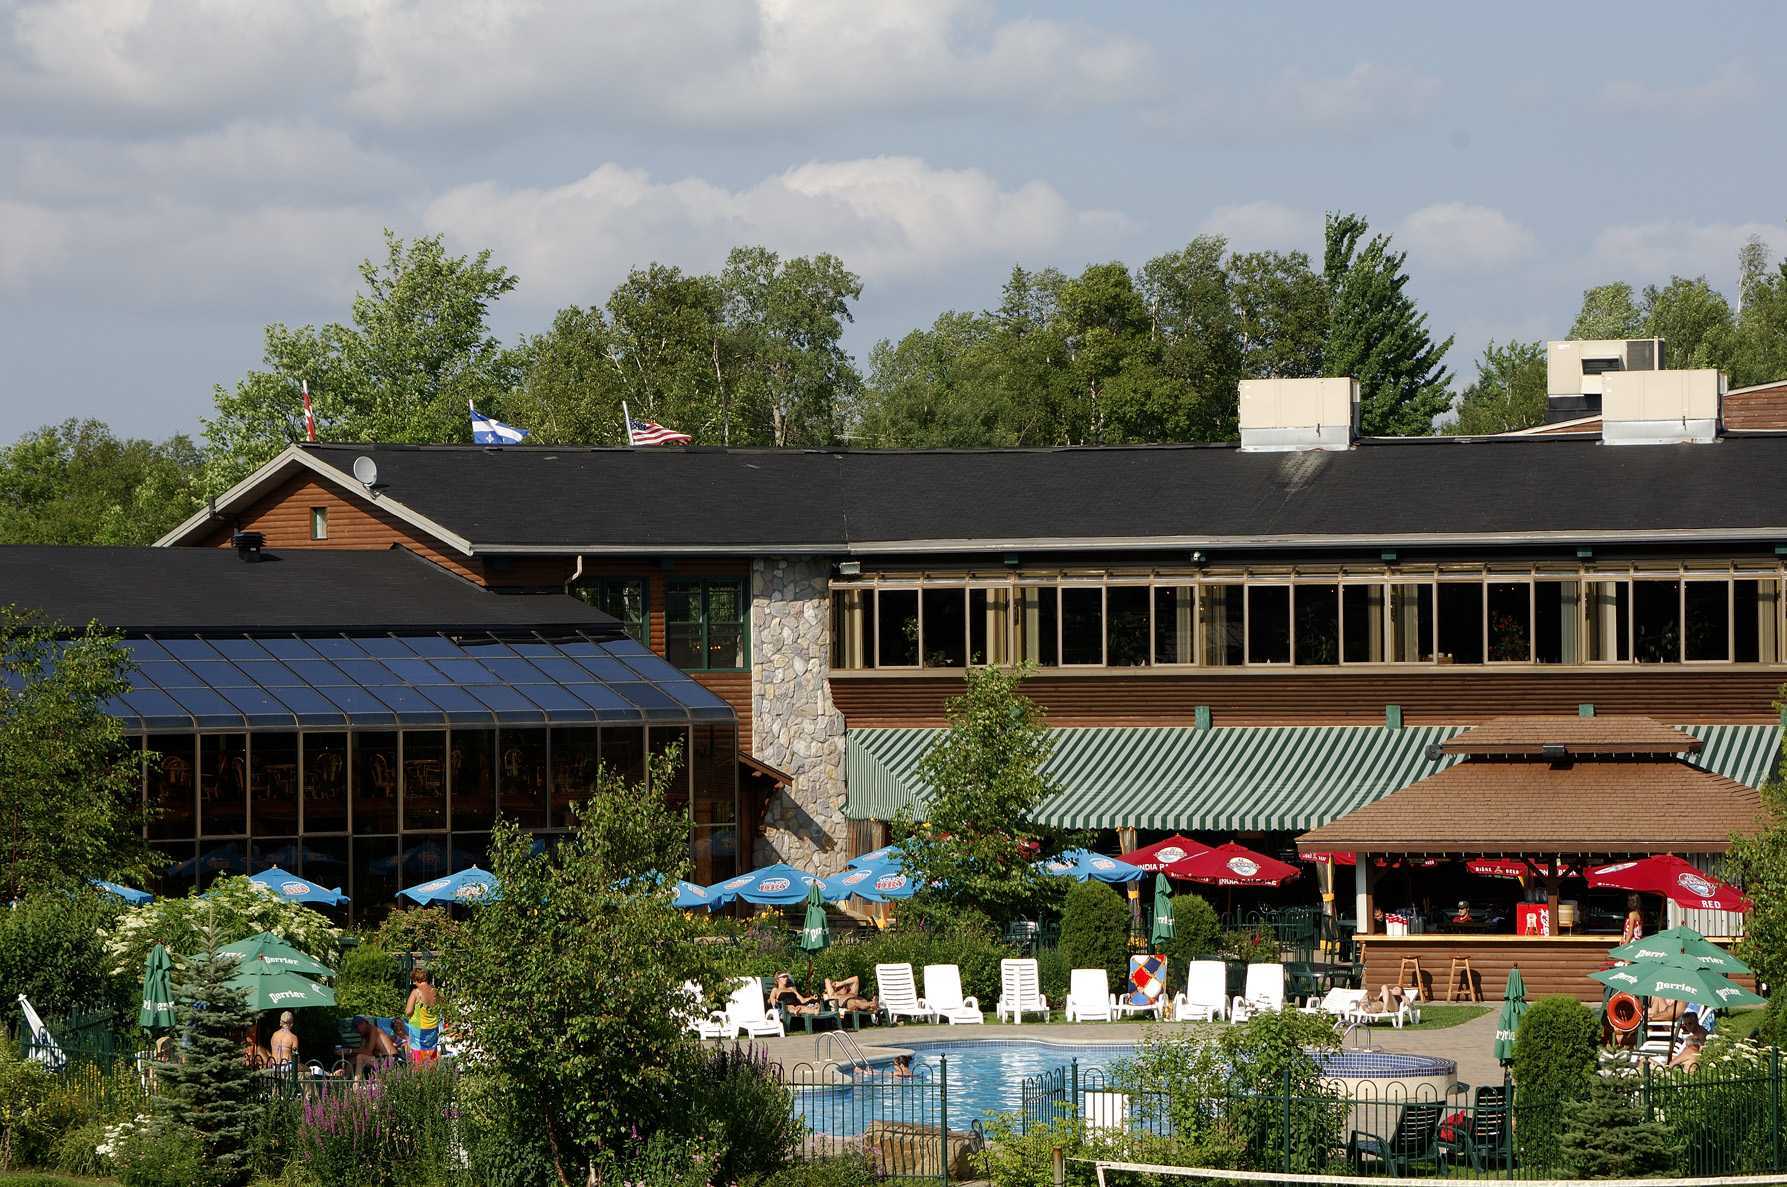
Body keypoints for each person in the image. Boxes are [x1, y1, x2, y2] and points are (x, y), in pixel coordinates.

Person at [404, 968, 441, 1066]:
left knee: (416, 1052)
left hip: (418, 1028)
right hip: (432, 1028)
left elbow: (408, 1011)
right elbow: (442, 1007)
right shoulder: (435, 991)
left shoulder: (416, 992)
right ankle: (431, 1075)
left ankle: (417, 1075)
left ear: (415, 979)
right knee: (431, 1051)